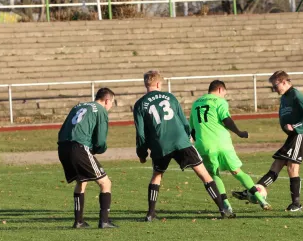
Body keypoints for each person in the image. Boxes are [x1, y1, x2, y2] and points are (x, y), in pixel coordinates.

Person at [133, 70, 233, 221]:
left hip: (160, 144)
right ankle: (222, 209)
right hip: (180, 141)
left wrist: (142, 153)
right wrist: (188, 137)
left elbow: (140, 133)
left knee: (157, 175)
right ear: (159, 83)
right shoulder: (171, 97)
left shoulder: (139, 104)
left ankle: (150, 213)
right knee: (204, 174)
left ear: (146, 83)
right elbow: (184, 121)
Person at [233, 70, 303, 212]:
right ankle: (253, 192)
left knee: (292, 167)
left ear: (284, 82)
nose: (274, 89)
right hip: (293, 136)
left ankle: (296, 204)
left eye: (275, 86)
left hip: (301, 133)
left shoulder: (296, 95)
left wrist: (295, 127)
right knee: (276, 164)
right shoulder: (284, 98)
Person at [189, 80, 271, 213]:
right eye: (224, 93)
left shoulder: (196, 103)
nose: (224, 95)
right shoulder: (219, 101)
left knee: (214, 174)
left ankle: (226, 205)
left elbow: (192, 129)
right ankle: (261, 200)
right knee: (237, 172)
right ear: (220, 89)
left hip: (203, 145)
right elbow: (226, 119)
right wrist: (239, 132)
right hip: (222, 143)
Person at [57, 88, 118, 229]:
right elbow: (101, 140)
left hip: (63, 147)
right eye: (112, 103)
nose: (110, 106)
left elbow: (63, 128)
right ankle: (104, 221)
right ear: (107, 100)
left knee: (81, 181)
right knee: (105, 183)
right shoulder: (100, 110)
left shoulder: (78, 106)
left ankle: (78, 221)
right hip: (79, 147)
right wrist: (98, 149)